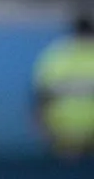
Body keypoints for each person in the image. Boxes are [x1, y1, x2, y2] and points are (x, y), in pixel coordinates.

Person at [33, 11, 94, 156]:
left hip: (63, 138)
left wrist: (47, 135)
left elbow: (38, 102)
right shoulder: (57, 56)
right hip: (65, 140)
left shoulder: (56, 55)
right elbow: (40, 99)